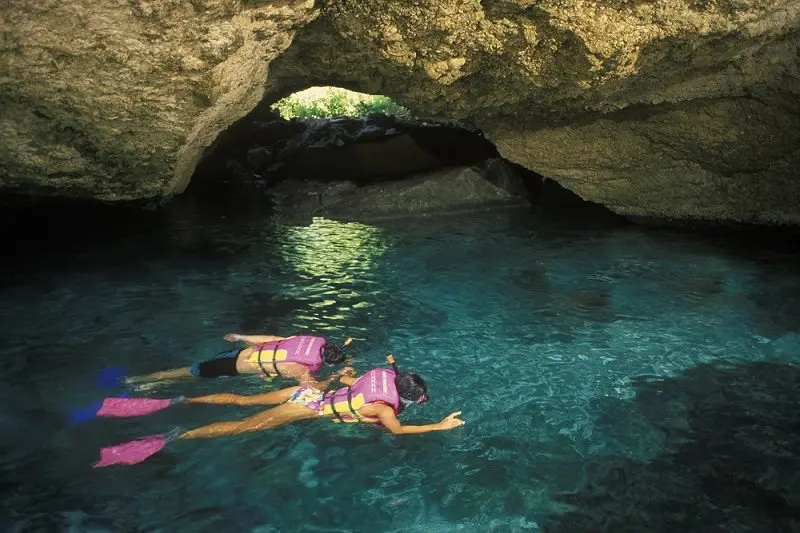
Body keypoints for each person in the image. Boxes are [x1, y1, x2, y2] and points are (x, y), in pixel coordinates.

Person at [93, 356, 465, 467]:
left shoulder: (382, 374)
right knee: (241, 427)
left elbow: (354, 378)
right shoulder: (386, 410)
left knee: (241, 402)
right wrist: (439, 426)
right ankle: (174, 435)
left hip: (304, 392)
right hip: (302, 412)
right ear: (405, 397)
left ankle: (180, 400)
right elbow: (396, 432)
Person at [124, 333, 353, 389]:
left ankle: (148, 381)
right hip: (232, 367)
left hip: (233, 354)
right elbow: (313, 388)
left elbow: (270, 339)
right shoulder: (300, 368)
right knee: (187, 373)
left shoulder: (304, 341)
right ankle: (139, 380)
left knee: (191, 370)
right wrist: (336, 377)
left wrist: (241, 337)